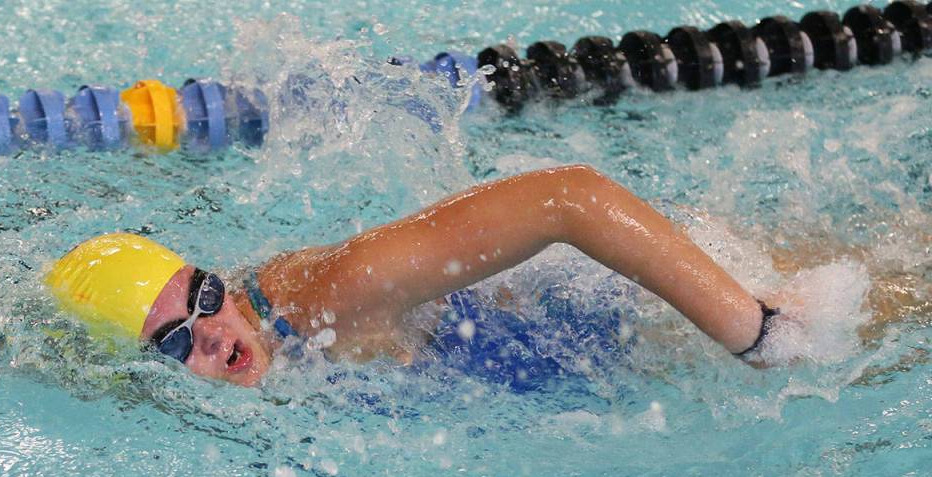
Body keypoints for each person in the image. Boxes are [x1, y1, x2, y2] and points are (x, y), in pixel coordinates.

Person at [43, 165, 796, 387]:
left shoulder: (331, 294)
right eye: (176, 344)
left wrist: (757, 334)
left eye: (204, 298)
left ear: (222, 283)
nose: (212, 330)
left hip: (646, 313)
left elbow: (572, 198)